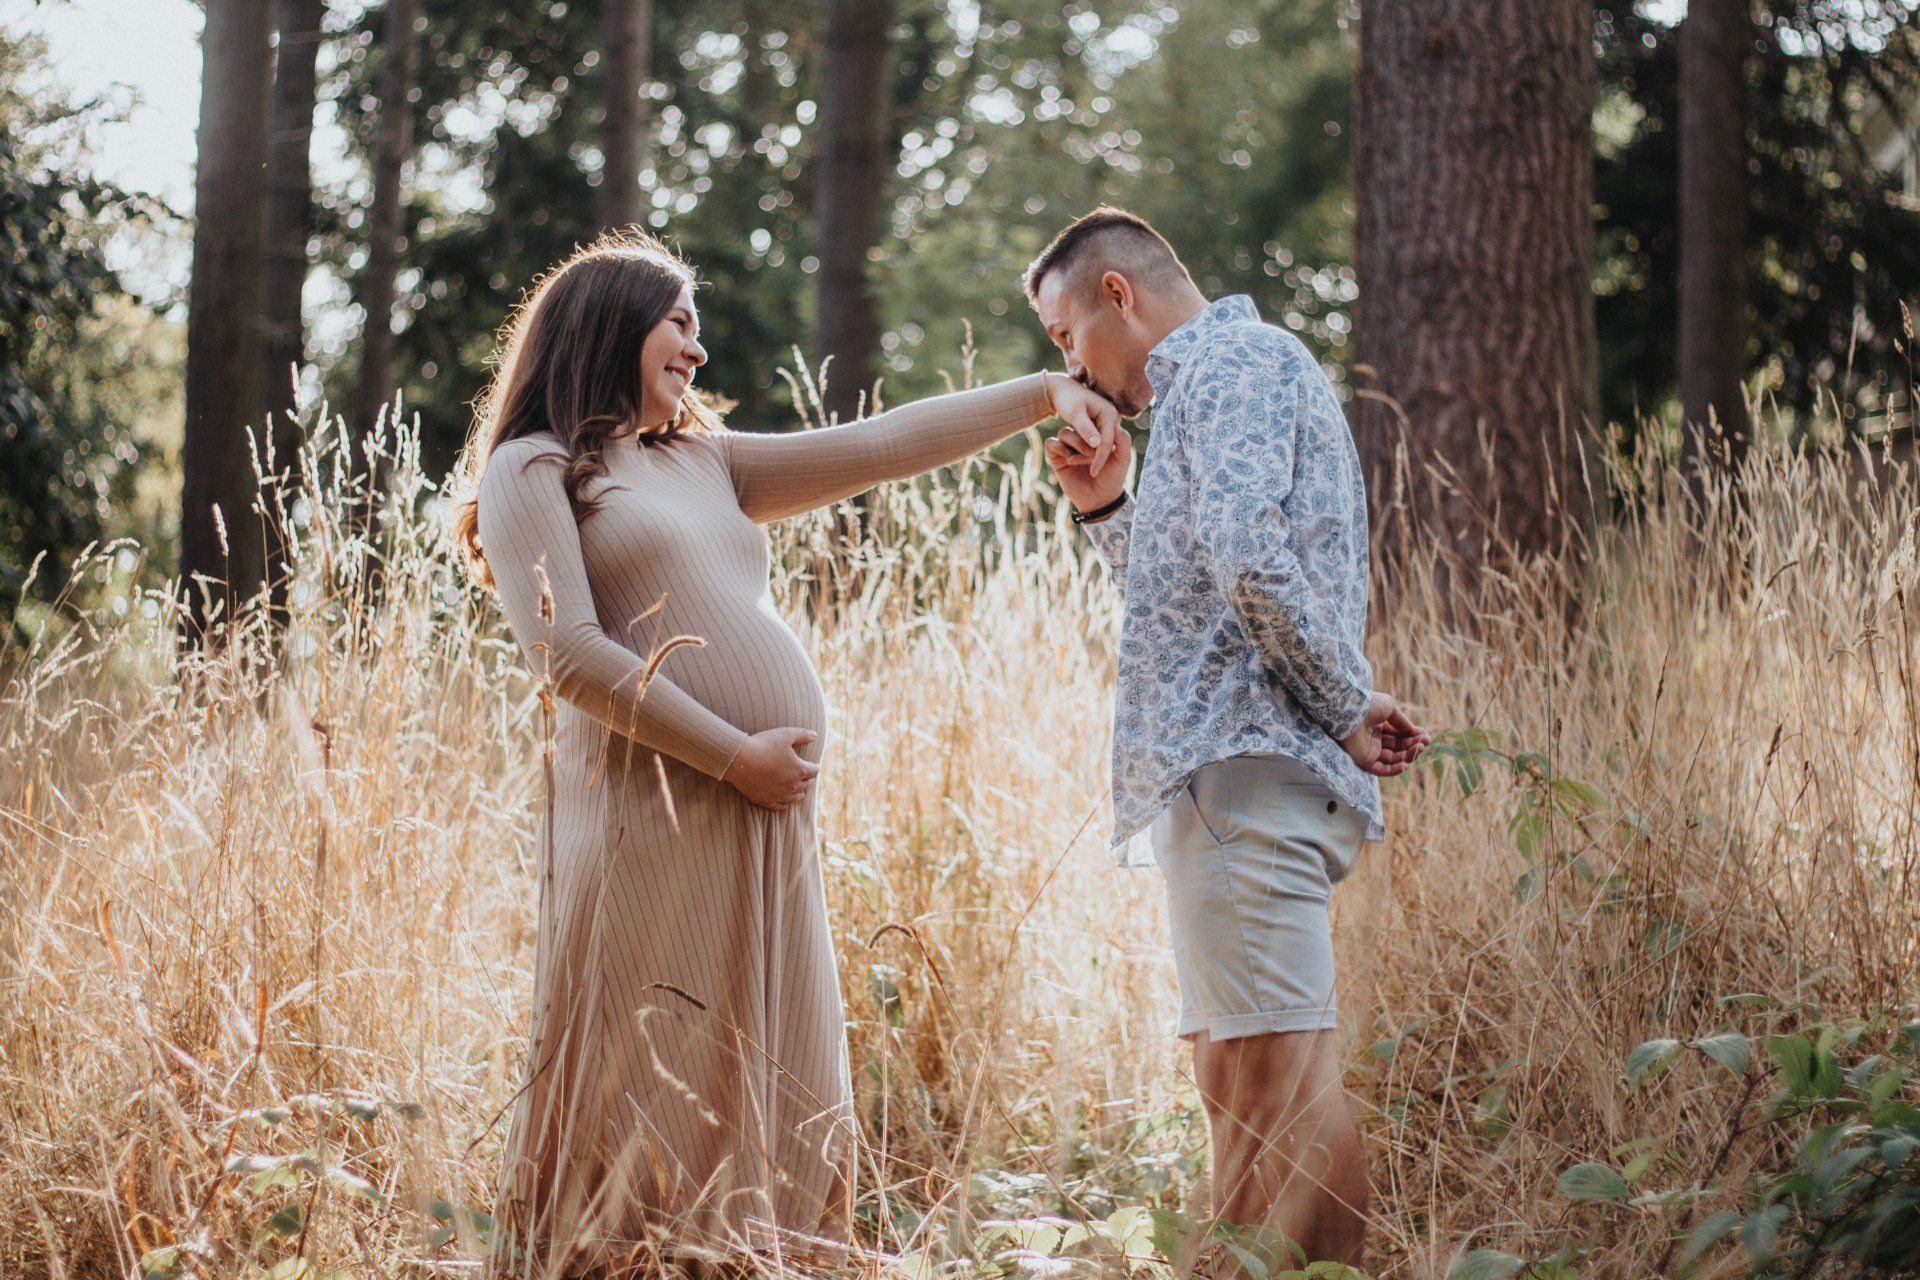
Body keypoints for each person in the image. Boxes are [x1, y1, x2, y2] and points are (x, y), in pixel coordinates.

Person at [449, 231, 1121, 1275]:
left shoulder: (703, 459)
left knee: (777, 1060)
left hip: (760, 812)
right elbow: (568, 655)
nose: (696, 350)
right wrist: (732, 756)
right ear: (609, 324)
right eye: (678, 323)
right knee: (651, 1061)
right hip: (652, 819)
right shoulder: (531, 467)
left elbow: (881, 444)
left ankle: (770, 1259)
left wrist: (1042, 393)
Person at [1028, 207, 1430, 1271]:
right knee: (1251, 1084)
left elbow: (1249, 555)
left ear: (1119, 295)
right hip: (1235, 781)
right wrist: (1107, 509)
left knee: (1270, 1092)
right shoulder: (1214, 386)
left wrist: (1346, 703)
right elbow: (1198, 600)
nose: (1070, 367)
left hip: (1248, 776)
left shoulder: (1234, 362)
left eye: (1066, 335)